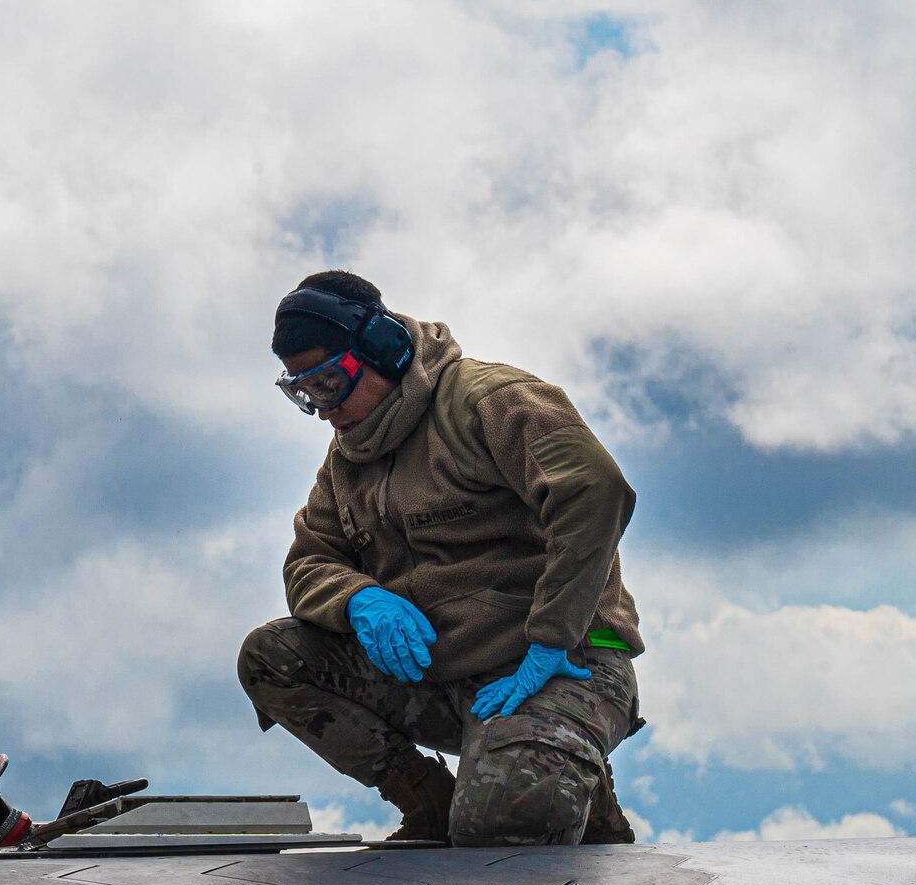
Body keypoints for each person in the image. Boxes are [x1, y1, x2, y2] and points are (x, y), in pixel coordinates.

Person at [237, 270, 644, 846]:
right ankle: (430, 801)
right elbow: (308, 561)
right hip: (445, 680)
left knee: (504, 833)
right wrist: (358, 600)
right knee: (270, 658)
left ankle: (559, 764)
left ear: (382, 349)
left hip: (559, 666)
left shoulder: (489, 402)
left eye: (330, 383)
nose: (324, 409)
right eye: (304, 393)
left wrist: (552, 636)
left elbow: (595, 491)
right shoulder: (348, 461)